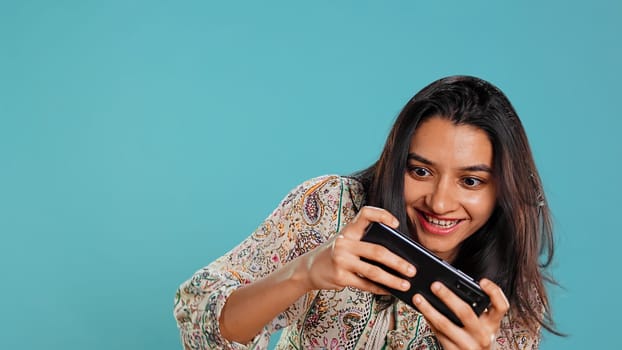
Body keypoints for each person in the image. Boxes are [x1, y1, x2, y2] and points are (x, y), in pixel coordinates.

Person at [174, 75, 559, 349]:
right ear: (397, 164)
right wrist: (304, 272)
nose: (440, 203)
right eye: (420, 171)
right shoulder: (329, 209)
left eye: (471, 181)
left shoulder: (510, 301)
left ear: (502, 190)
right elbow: (201, 317)